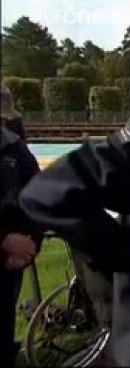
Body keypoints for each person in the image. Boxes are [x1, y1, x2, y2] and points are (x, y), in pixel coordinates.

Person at [0, 125, 40, 368]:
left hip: (10, 265)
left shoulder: (18, 151)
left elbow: (38, 201)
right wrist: (3, 240)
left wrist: (29, 247)